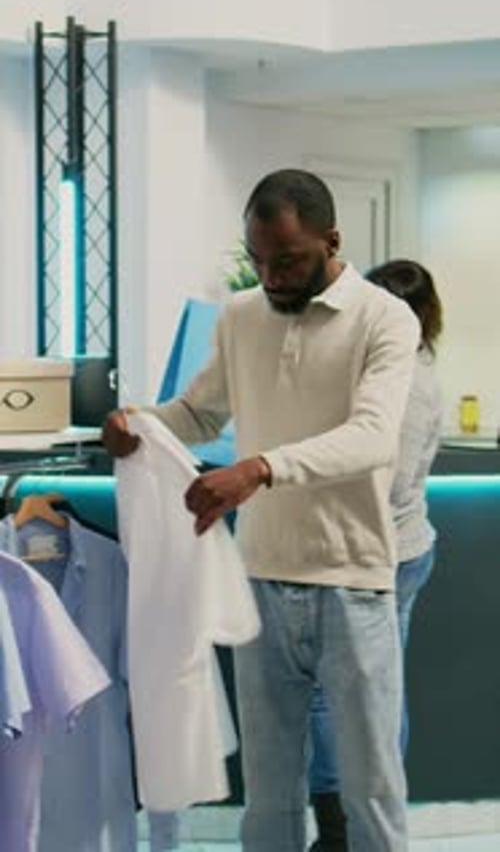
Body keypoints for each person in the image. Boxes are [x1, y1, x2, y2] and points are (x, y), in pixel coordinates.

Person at [102, 169, 420, 852]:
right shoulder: (242, 317)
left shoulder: (385, 318)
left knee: (371, 792)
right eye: (259, 260)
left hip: (353, 583)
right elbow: (197, 412)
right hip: (259, 580)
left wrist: (260, 468)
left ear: (331, 241)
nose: (270, 277)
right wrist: (139, 423)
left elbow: (372, 436)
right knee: (269, 797)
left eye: (288, 261)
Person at [308, 259, 443, 852]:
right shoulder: (389, 369)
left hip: (375, 556)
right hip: (383, 551)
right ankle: (365, 826)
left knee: (333, 694)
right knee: (374, 692)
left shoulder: (407, 383)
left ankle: (344, 830)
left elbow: (385, 485)